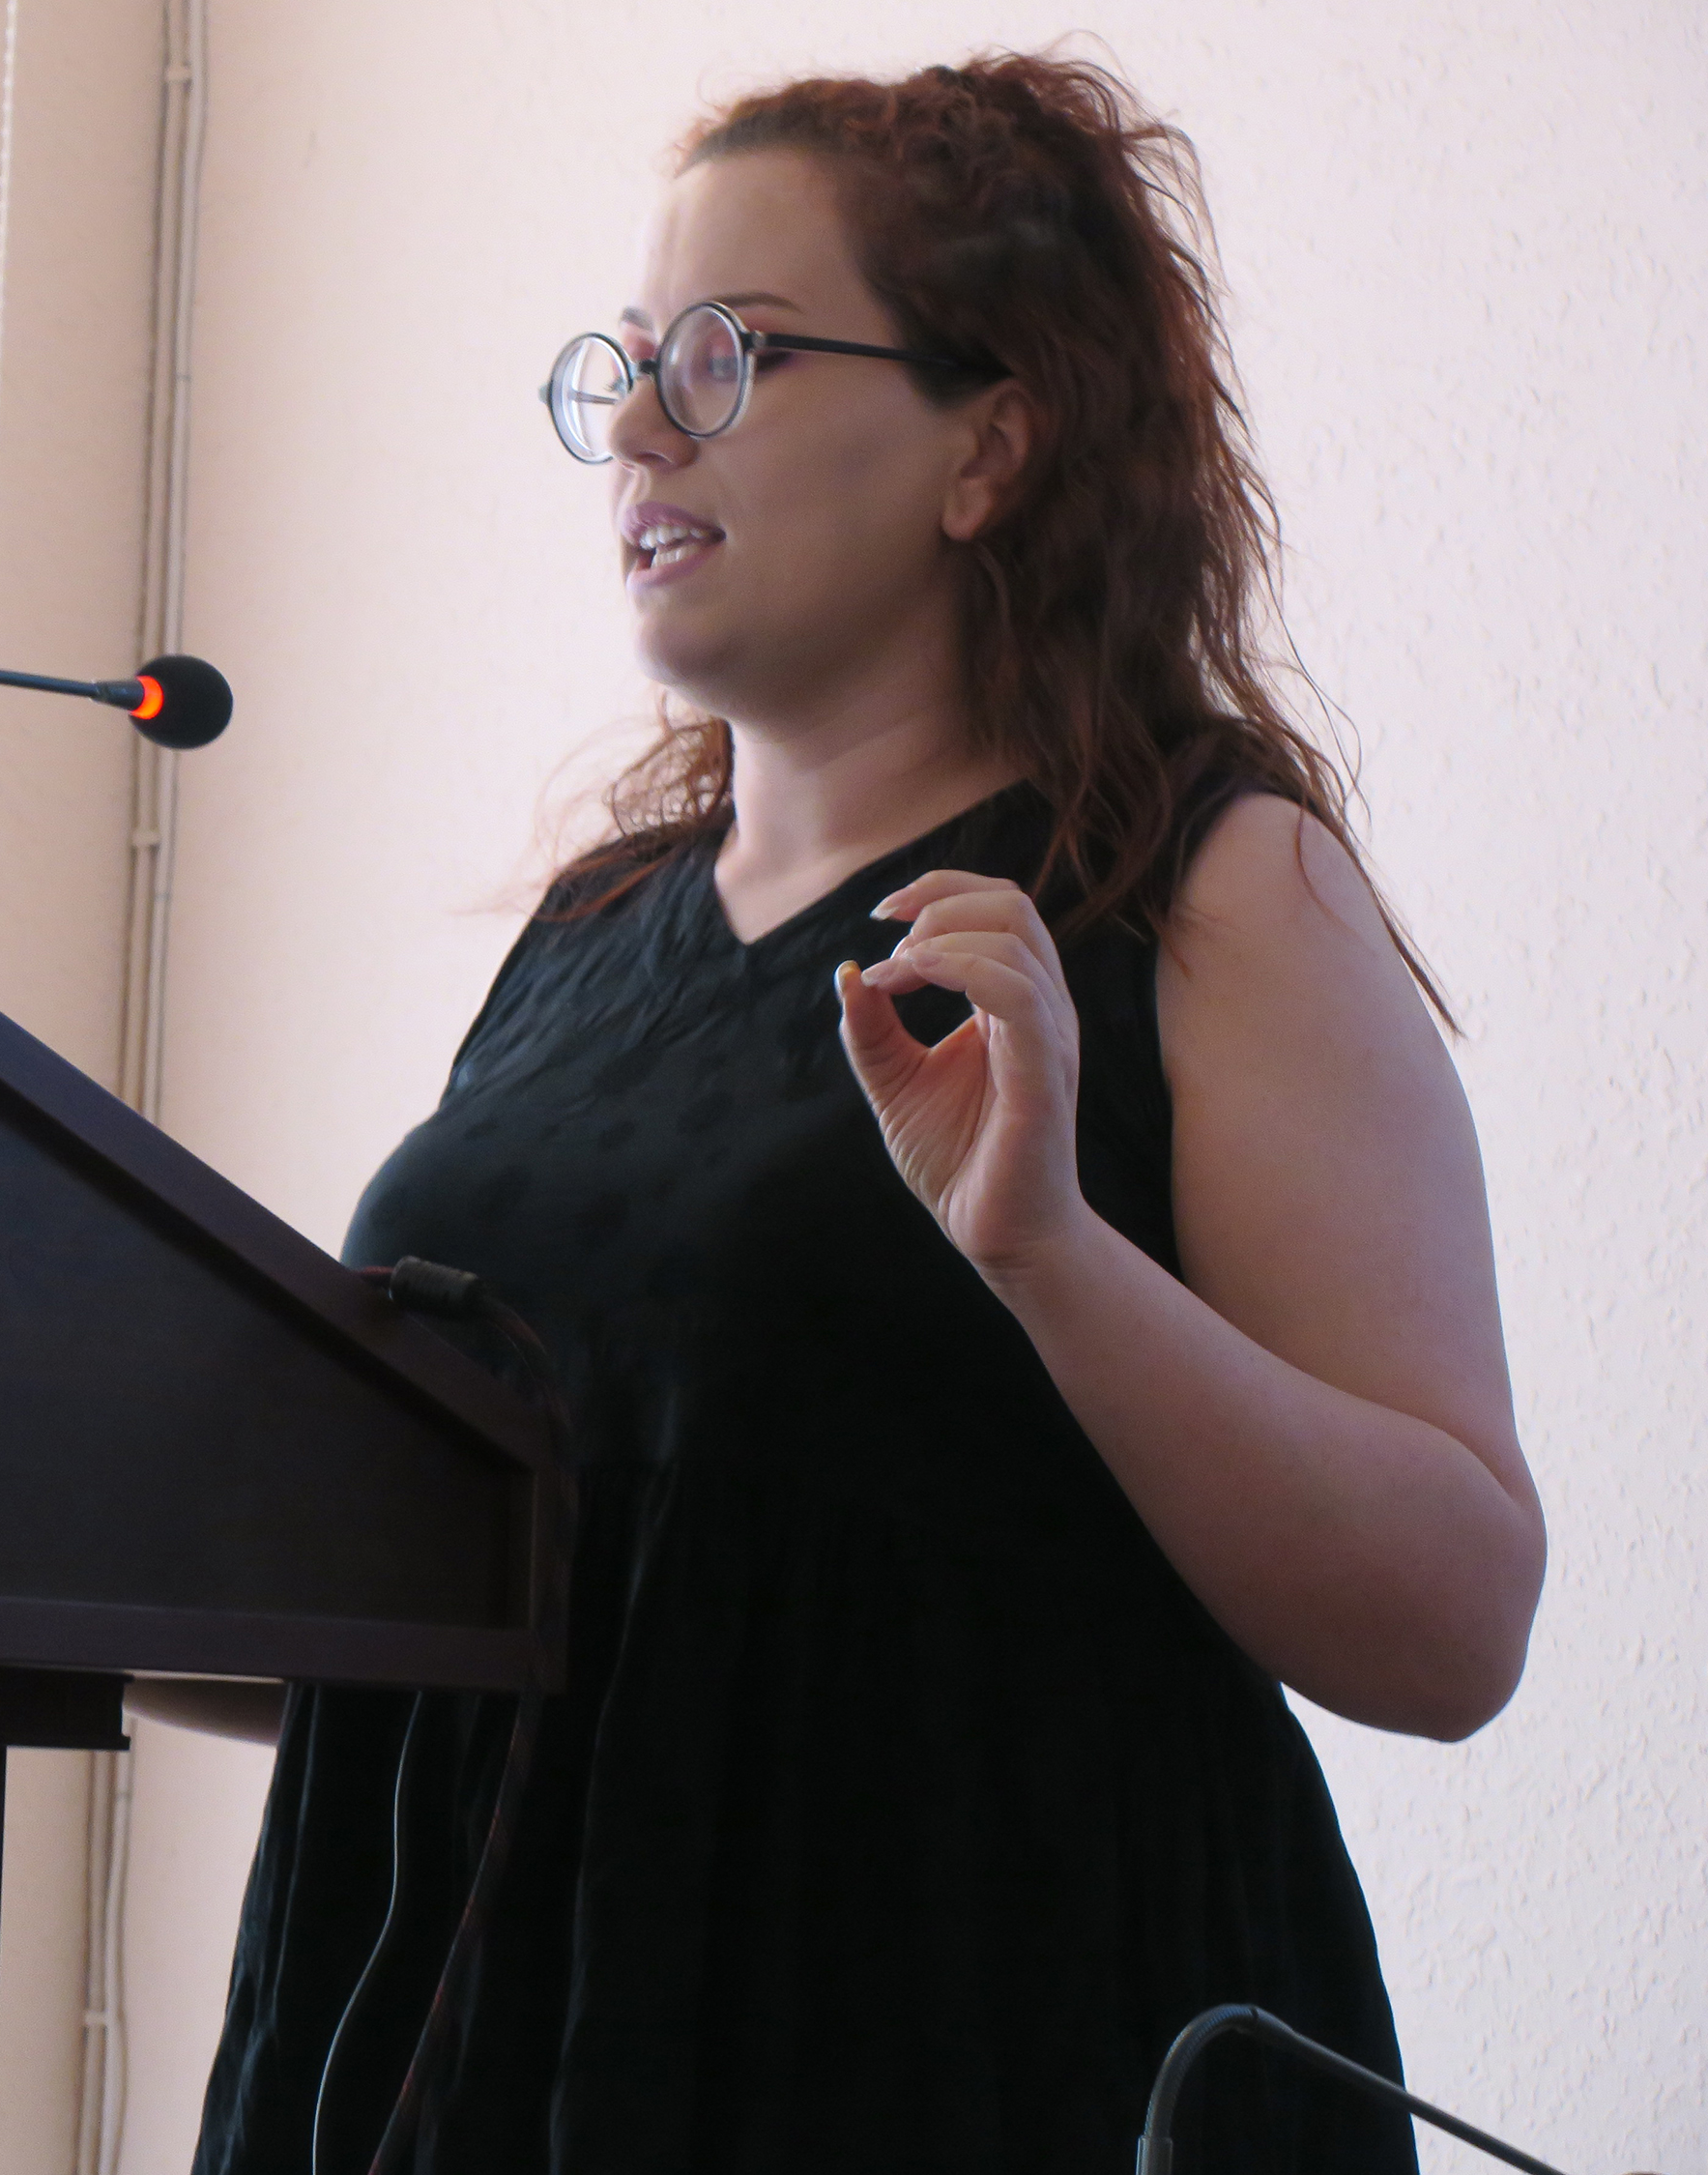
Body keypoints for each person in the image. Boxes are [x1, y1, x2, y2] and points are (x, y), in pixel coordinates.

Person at [171, 52, 1544, 2175]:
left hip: (970, 2055)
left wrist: (1050, 1257)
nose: (639, 429)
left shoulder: (1205, 888)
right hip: (503, 2056)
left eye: (724, 356)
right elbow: (558, 1604)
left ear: (989, 443)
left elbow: (1453, 1621)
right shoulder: (588, 936)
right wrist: (24, 1524)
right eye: (629, 365)